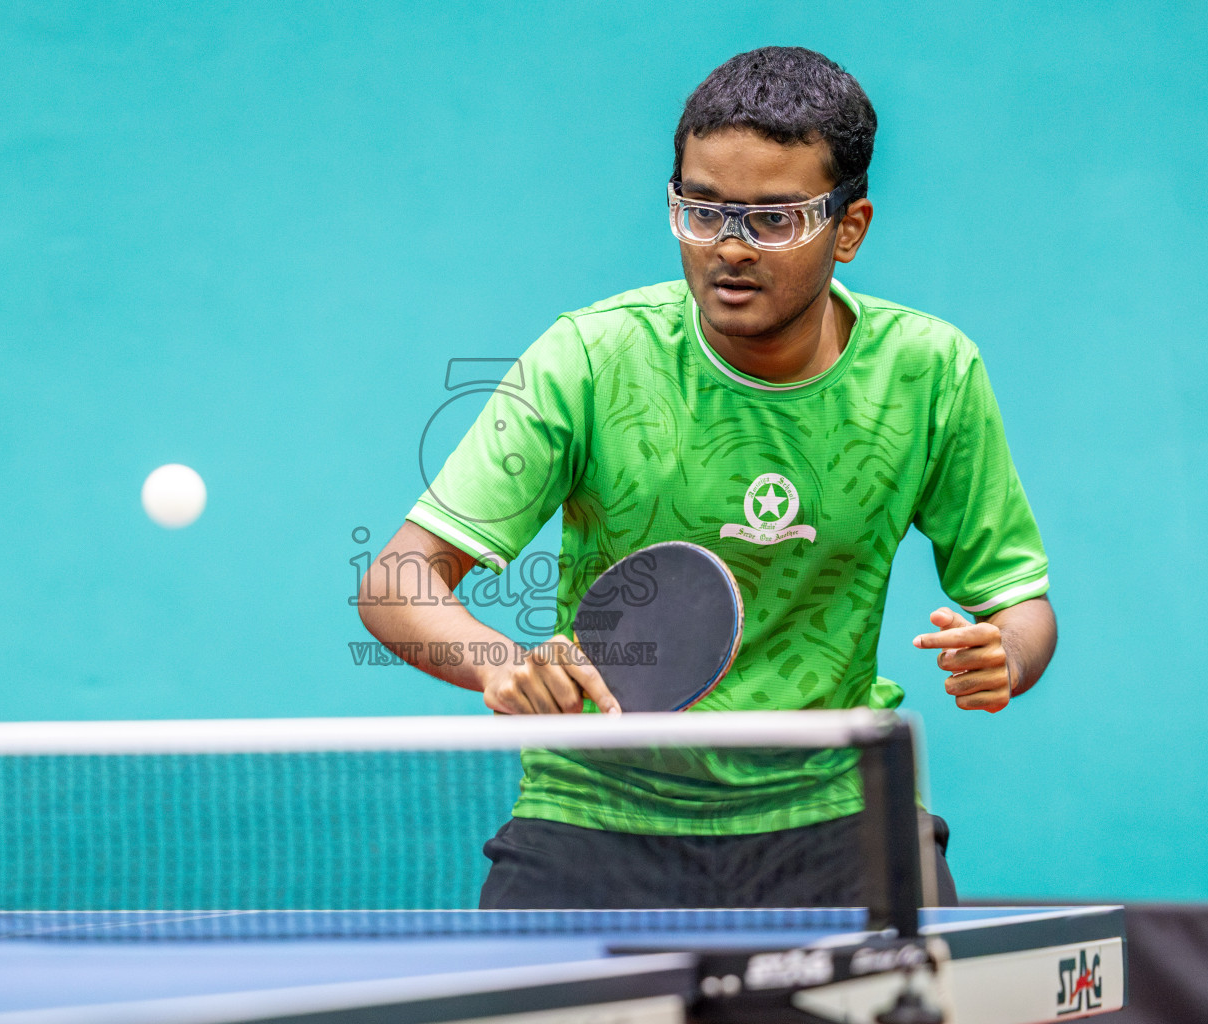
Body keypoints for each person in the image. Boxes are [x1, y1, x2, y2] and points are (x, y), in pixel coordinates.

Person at [359, 47, 1056, 909]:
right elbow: (396, 582)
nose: (729, 247)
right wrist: (499, 665)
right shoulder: (591, 357)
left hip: (837, 811)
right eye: (701, 210)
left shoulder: (930, 373)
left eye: (774, 220)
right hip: (600, 806)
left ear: (850, 228)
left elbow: (1021, 605)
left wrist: (1005, 655)